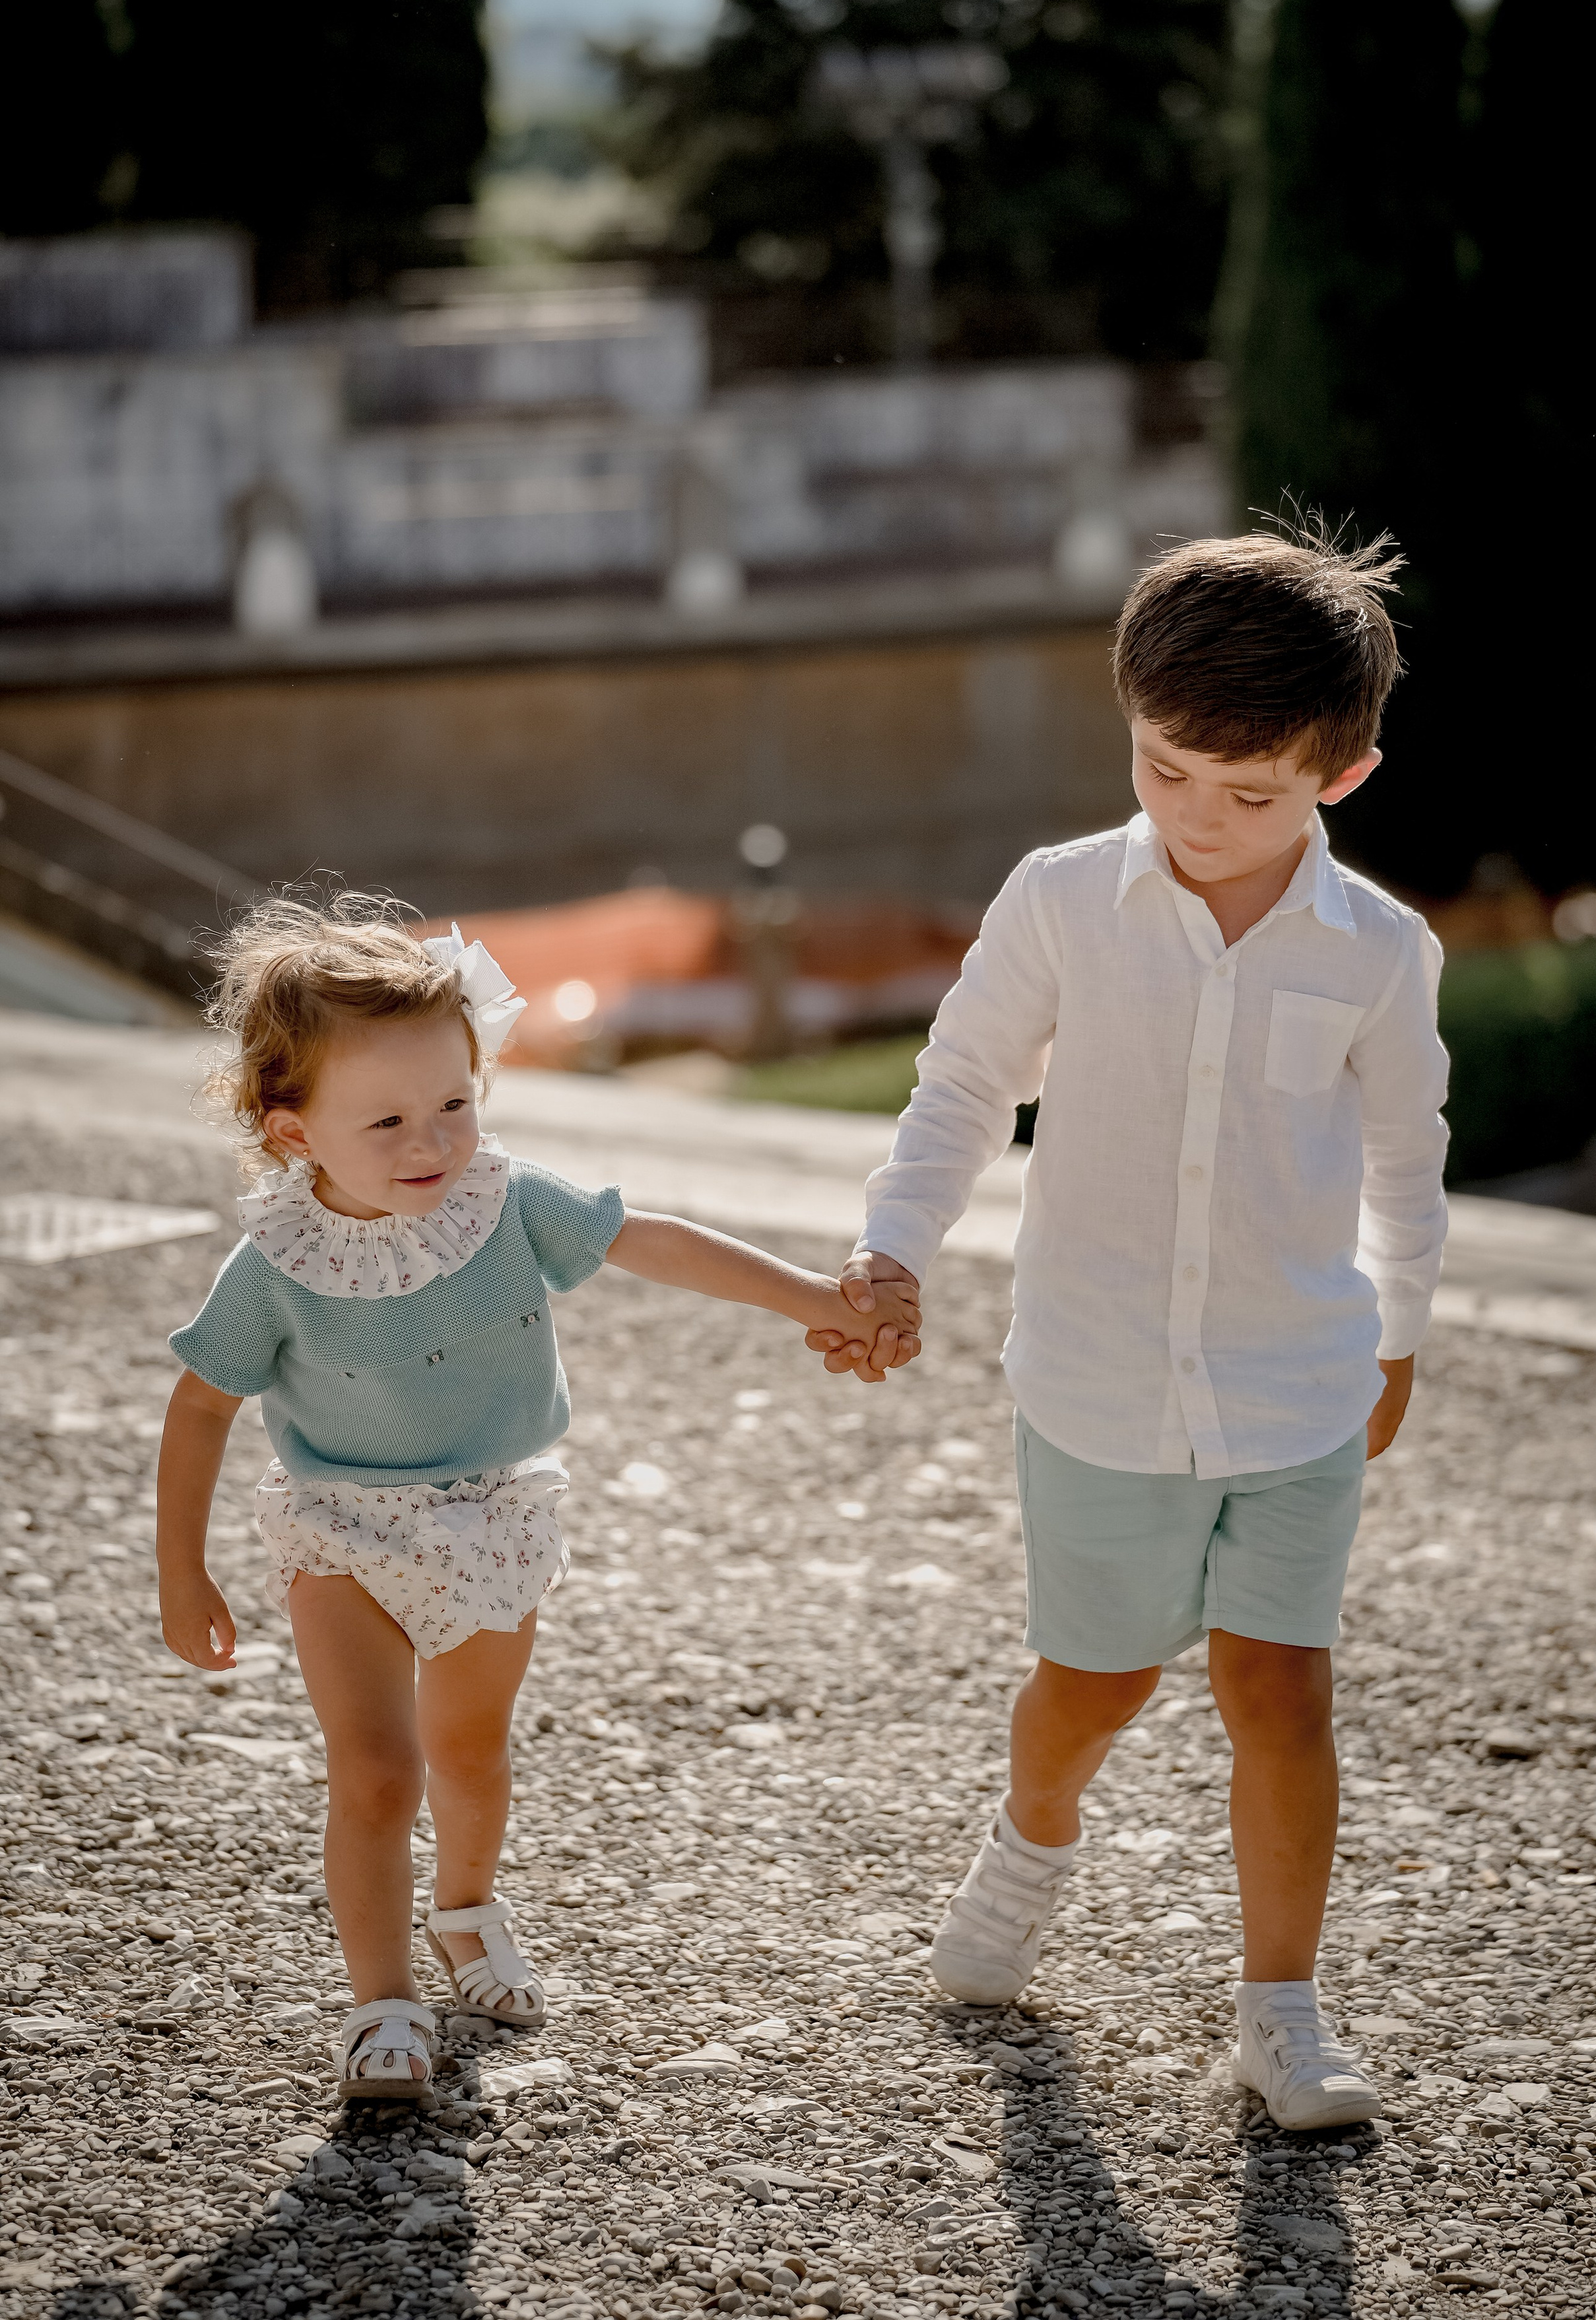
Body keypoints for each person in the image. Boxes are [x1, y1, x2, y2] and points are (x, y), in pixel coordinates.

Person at [822, 528, 1448, 2129]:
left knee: (1279, 1689)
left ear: (1343, 776)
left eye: (1251, 797)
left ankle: (1279, 2007)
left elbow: (1403, 1160)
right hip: (1094, 1385)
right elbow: (961, 1085)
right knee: (1091, 1687)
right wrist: (893, 1250)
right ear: (1127, 727)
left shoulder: (1379, 953)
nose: (1198, 820)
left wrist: (1397, 1336)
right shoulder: (1058, 903)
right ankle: (1031, 1835)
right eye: (1166, 771)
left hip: (1295, 1384)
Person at [156, 893, 917, 2103]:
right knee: (376, 1774)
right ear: (294, 1132)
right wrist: (180, 1568)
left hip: (490, 1518)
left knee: (469, 1753)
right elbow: (200, 1407)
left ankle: (465, 1912)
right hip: (339, 1533)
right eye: (389, 1120)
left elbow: (651, 1239)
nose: (431, 1143)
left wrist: (815, 1301)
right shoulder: (274, 1269)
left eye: (455, 1103)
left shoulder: (504, 1204)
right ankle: (382, 2005)